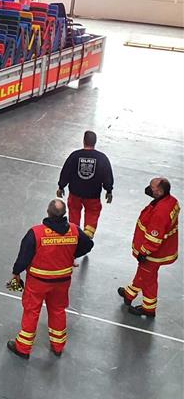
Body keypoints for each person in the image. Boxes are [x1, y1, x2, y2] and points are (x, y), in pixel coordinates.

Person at [7, 199, 94, 359]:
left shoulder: (36, 233)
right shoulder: (74, 231)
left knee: (32, 311)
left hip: (37, 282)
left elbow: (24, 257)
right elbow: (88, 245)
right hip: (62, 282)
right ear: (64, 214)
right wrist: (71, 255)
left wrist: (16, 272)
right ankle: (58, 346)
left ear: (48, 212)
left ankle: (23, 348)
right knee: (58, 310)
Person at [118, 178, 179, 317]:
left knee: (143, 275)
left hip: (153, 253)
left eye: (152, 188)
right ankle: (148, 306)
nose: (149, 189)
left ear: (159, 191)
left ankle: (131, 295)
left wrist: (144, 252)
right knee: (150, 277)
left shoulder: (160, 212)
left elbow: (154, 236)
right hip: (163, 249)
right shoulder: (172, 201)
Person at [57, 130, 114, 239]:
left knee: (74, 211)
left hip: (75, 193)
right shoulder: (102, 158)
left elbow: (66, 172)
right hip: (93, 195)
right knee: (93, 212)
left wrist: (61, 186)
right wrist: (109, 190)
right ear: (95, 142)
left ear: (83, 141)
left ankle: (74, 233)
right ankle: (88, 234)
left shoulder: (75, 156)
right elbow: (107, 175)